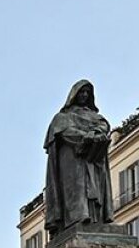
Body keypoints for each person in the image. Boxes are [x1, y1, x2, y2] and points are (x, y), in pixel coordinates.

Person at [43, 79, 113, 236]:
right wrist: (86, 136)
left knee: (94, 187)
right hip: (73, 159)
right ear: (74, 95)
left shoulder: (95, 116)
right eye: (81, 92)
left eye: (87, 92)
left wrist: (96, 134)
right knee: (78, 188)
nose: (84, 95)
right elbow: (66, 132)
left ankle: (96, 218)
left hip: (93, 159)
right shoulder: (62, 117)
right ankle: (77, 218)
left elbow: (104, 126)